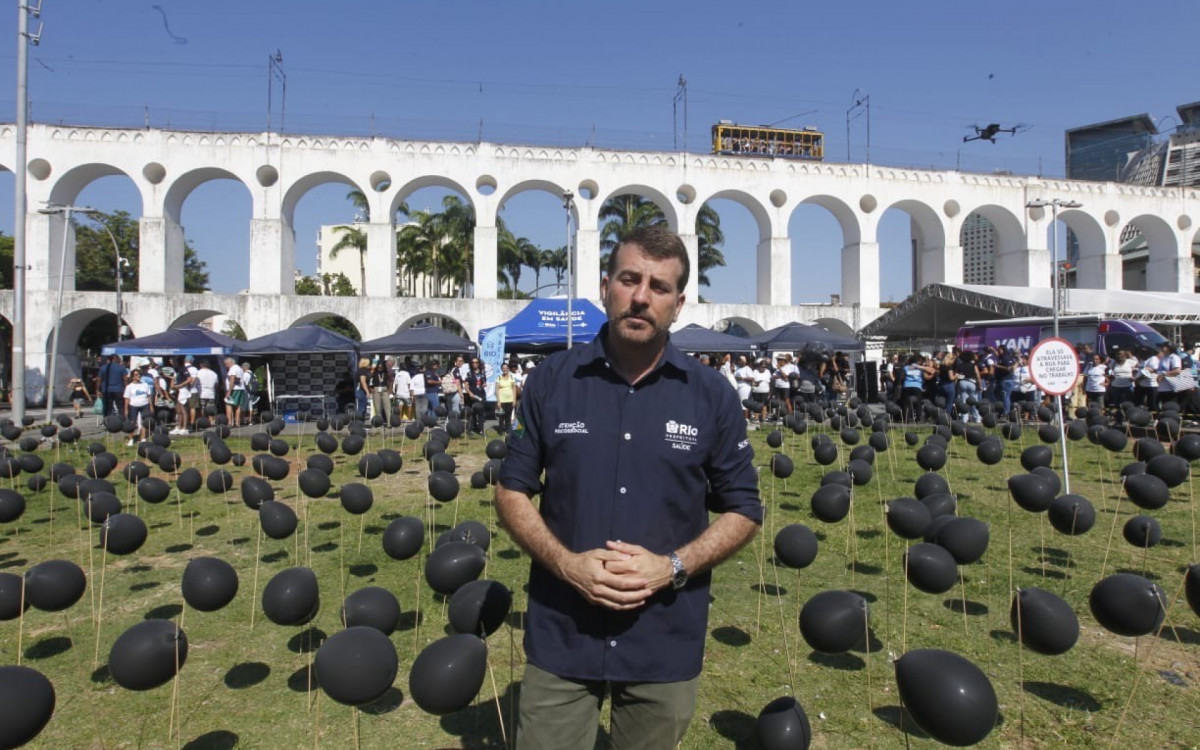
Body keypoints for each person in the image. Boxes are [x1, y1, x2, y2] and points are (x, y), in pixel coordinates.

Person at [496, 225, 761, 750]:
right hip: (563, 631)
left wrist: (672, 566)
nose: (642, 297)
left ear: (678, 304)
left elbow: (745, 509)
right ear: (605, 287)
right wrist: (567, 564)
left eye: (659, 287)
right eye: (629, 279)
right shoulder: (552, 380)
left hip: (664, 639)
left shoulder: (711, 395)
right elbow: (511, 491)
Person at [123, 367, 153, 446]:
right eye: (136, 375)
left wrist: (151, 406)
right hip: (134, 405)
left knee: (144, 422)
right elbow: (126, 398)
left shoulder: (145, 385)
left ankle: (143, 438)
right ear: (132, 377)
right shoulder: (129, 387)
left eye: (139, 375)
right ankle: (131, 439)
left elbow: (149, 396)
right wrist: (126, 409)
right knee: (132, 422)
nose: (138, 376)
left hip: (144, 404)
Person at [495, 361, 519, 434]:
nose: (504, 369)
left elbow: (514, 389)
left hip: (510, 400)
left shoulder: (512, 377)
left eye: (506, 368)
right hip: (502, 400)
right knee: (501, 416)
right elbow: (496, 390)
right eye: (503, 368)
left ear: (508, 369)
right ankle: (501, 430)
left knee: (508, 416)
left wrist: (514, 400)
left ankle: (507, 430)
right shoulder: (499, 378)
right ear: (501, 369)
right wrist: (498, 401)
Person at [224, 357, 247, 426]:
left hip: (234, 389)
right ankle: (237, 422)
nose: (226, 366)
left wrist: (229, 391)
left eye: (226, 364)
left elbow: (232, 379)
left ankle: (229, 422)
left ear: (230, 362)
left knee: (228, 404)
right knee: (238, 406)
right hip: (240, 388)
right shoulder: (239, 368)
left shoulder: (233, 368)